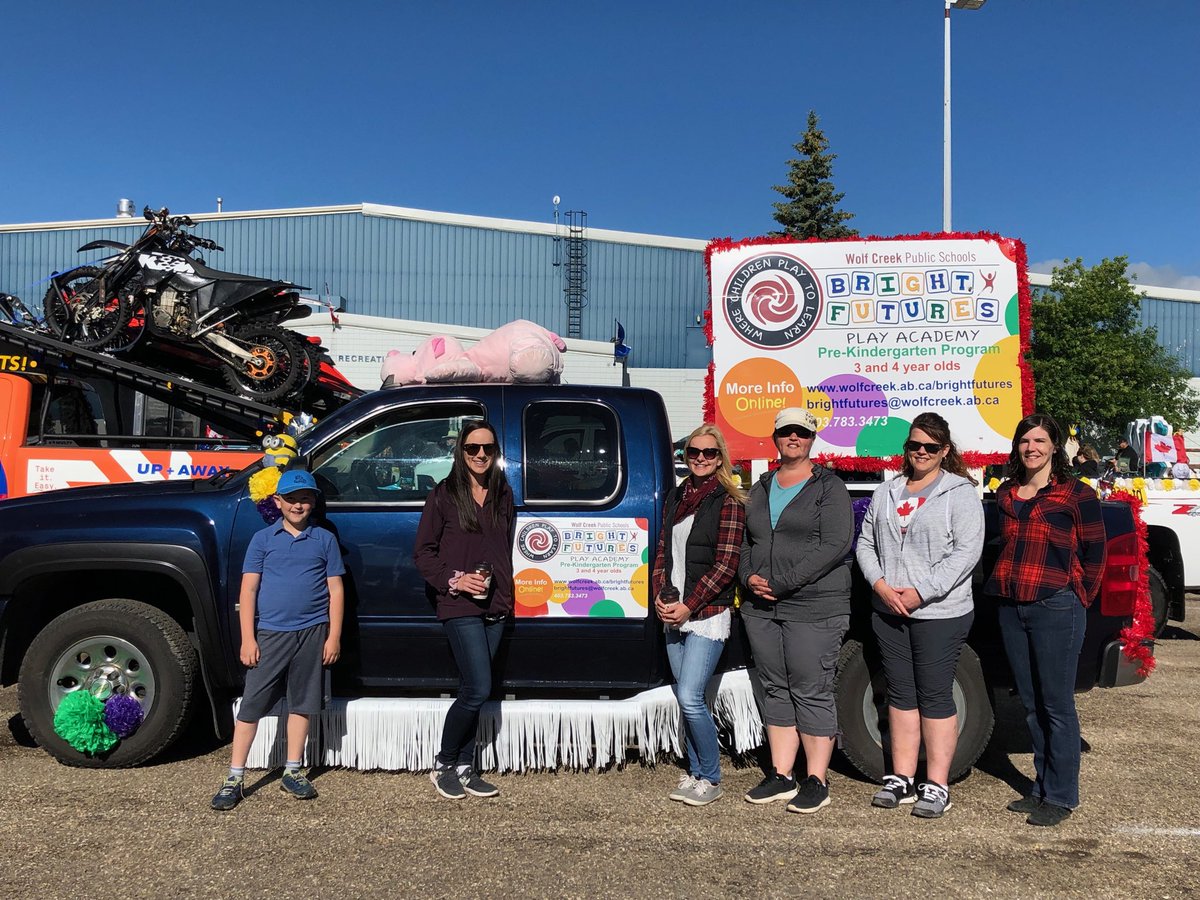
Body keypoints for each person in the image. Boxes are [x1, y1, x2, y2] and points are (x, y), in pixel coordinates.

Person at [855, 412, 985, 818]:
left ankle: (937, 784)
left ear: (945, 451)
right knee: (900, 693)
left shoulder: (960, 492)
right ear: (906, 449)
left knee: (934, 695)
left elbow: (966, 553)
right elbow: (865, 542)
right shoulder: (887, 491)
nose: (922, 452)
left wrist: (920, 593)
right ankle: (901, 778)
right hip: (888, 610)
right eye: (915, 445)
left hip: (940, 613)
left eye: (931, 446)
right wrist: (879, 585)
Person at [985, 413, 1106, 827]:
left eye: (1040, 440)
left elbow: (1096, 555)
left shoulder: (1077, 495)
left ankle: (1061, 795)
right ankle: (1039, 787)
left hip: (1056, 605)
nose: (1031, 448)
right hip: (1011, 605)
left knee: (1057, 705)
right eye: (1025, 441)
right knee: (1032, 705)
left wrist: (1077, 596)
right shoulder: (1006, 493)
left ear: (1055, 446)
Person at [739, 408, 853, 814]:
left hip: (814, 605)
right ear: (775, 438)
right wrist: (748, 575)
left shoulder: (829, 487)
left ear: (811, 439)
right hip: (761, 607)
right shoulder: (762, 485)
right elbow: (748, 542)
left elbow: (836, 544)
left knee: (810, 688)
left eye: (801, 433)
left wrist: (784, 581)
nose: (794, 439)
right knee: (775, 688)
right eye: (786, 432)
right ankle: (782, 774)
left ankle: (816, 779)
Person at [211, 469, 345, 811]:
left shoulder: (324, 539)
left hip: (314, 632)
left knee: (303, 703)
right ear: (277, 502)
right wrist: (247, 639)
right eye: (292, 499)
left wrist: (334, 636)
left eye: (305, 498)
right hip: (270, 633)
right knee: (252, 704)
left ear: (314, 502)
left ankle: (293, 770)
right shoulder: (263, 539)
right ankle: (235, 776)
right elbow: (249, 589)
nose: (299, 505)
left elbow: (336, 590)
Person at [415, 420, 514, 800]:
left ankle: (466, 766)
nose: (480, 455)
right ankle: (443, 764)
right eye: (473, 448)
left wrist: (507, 590)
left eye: (488, 448)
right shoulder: (443, 495)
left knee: (474, 688)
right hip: (458, 604)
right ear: (461, 452)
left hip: (498, 603)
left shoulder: (503, 493)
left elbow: (504, 547)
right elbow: (423, 553)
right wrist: (455, 579)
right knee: (479, 688)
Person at [651, 424, 746, 807]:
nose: (701, 459)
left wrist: (689, 604)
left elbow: (726, 565)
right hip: (672, 610)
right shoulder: (678, 496)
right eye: (694, 453)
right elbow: (662, 551)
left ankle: (711, 775)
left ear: (720, 457)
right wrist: (661, 594)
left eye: (709, 453)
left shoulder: (729, 500)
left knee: (690, 696)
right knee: (688, 697)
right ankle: (693, 770)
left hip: (706, 612)